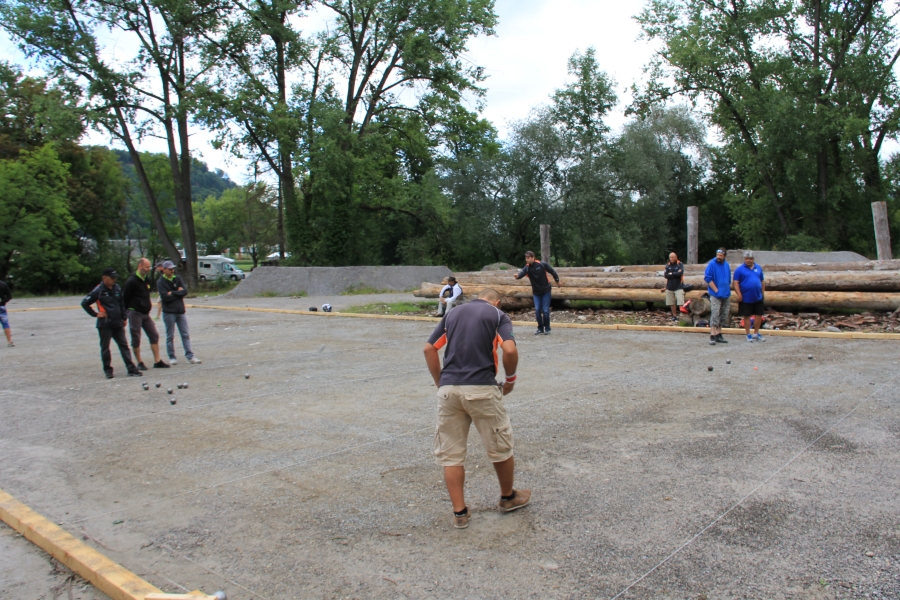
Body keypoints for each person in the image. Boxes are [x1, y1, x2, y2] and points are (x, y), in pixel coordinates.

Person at [423, 288, 531, 529]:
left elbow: (429, 348)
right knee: (499, 445)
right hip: (482, 388)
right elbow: (510, 349)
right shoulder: (497, 315)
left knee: (451, 454)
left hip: (449, 390)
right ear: (498, 303)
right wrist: (510, 380)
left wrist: (440, 382)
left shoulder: (452, 313)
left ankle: (459, 513)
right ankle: (507, 497)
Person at [81, 268, 142, 378]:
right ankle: (108, 370)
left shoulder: (117, 288)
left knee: (124, 346)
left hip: (117, 323)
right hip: (105, 324)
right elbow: (85, 303)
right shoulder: (98, 291)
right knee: (105, 348)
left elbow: (121, 303)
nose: (114, 280)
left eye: (115, 278)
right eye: (112, 278)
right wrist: (96, 314)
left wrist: (124, 317)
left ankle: (131, 368)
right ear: (104, 278)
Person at [122, 258, 169, 369]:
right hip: (134, 313)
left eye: (149, 267)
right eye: (147, 267)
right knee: (136, 337)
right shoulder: (131, 281)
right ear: (140, 266)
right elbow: (125, 299)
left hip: (145, 313)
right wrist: (124, 315)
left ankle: (157, 361)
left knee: (154, 335)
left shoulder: (146, 280)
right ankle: (139, 362)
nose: (149, 269)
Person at [157, 260, 201, 365]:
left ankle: (190, 356)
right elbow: (165, 298)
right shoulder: (160, 282)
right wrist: (178, 293)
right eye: (170, 269)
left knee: (185, 334)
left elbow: (184, 291)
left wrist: (172, 292)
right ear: (164, 270)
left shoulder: (178, 278)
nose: (172, 271)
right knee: (170, 336)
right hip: (169, 312)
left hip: (180, 311)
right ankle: (172, 356)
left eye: (173, 269)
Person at [514, 250, 560, 335]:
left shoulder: (541, 264)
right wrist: (517, 276)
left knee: (545, 310)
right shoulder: (527, 267)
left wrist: (557, 281)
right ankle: (540, 328)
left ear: (533, 258)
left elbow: (552, 271)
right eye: (526, 258)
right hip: (536, 293)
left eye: (528, 258)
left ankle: (547, 328)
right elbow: (521, 274)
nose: (527, 260)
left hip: (546, 290)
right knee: (538, 310)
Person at [733, 250, 767, 342]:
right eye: (747, 258)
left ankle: (756, 333)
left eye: (750, 258)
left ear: (753, 259)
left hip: (757, 296)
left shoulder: (758, 267)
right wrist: (739, 294)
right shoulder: (739, 269)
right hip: (746, 297)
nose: (748, 260)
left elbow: (762, 281)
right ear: (744, 259)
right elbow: (735, 283)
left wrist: (762, 292)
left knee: (759, 315)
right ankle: (748, 334)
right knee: (747, 316)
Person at [704, 248, 732, 345]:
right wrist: (715, 289)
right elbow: (707, 277)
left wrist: (727, 288)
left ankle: (718, 334)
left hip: (726, 293)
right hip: (715, 294)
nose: (718, 257)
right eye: (717, 255)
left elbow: (729, 279)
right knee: (715, 313)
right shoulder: (712, 264)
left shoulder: (726, 265)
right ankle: (712, 334)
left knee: (723, 314)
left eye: (720, 255)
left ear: (724, 256)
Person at [662, 252, 685, 321]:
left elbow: (680, 273)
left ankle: (682, 316)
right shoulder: (668, 265)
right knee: (671, 302)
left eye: (672, 257)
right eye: (670, 257)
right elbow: (666, 275)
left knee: (680, 302)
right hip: (669, 286)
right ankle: (674, 316)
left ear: (676, 257)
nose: (671, 259)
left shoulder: (679, 264)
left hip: (678, 286)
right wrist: (674, 274)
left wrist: (671, 274)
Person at [0, 279, 13, 347]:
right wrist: (3, 302)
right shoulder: (3, 284)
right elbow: (9, 296)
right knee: (5, 324)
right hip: (1, 307)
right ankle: (9, 341)